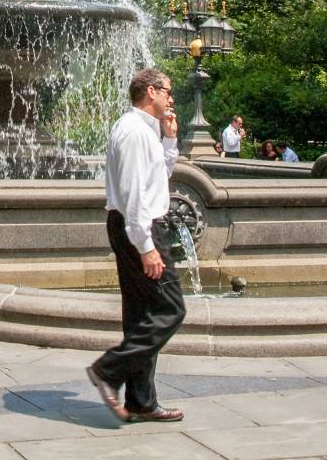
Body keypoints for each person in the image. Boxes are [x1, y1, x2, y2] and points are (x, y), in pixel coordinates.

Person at [85, 67, 184, 424]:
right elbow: (134, 194)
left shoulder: (146, 132)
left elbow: (159, 178)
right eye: (168, 91)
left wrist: (170, 140)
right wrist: (146, 246)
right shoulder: (132, 132)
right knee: (171, 309)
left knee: (142, 314)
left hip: (134, 224)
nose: (171, 99)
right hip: (137, 226)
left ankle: (141, 401)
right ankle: (108, 370)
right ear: (151, 92)